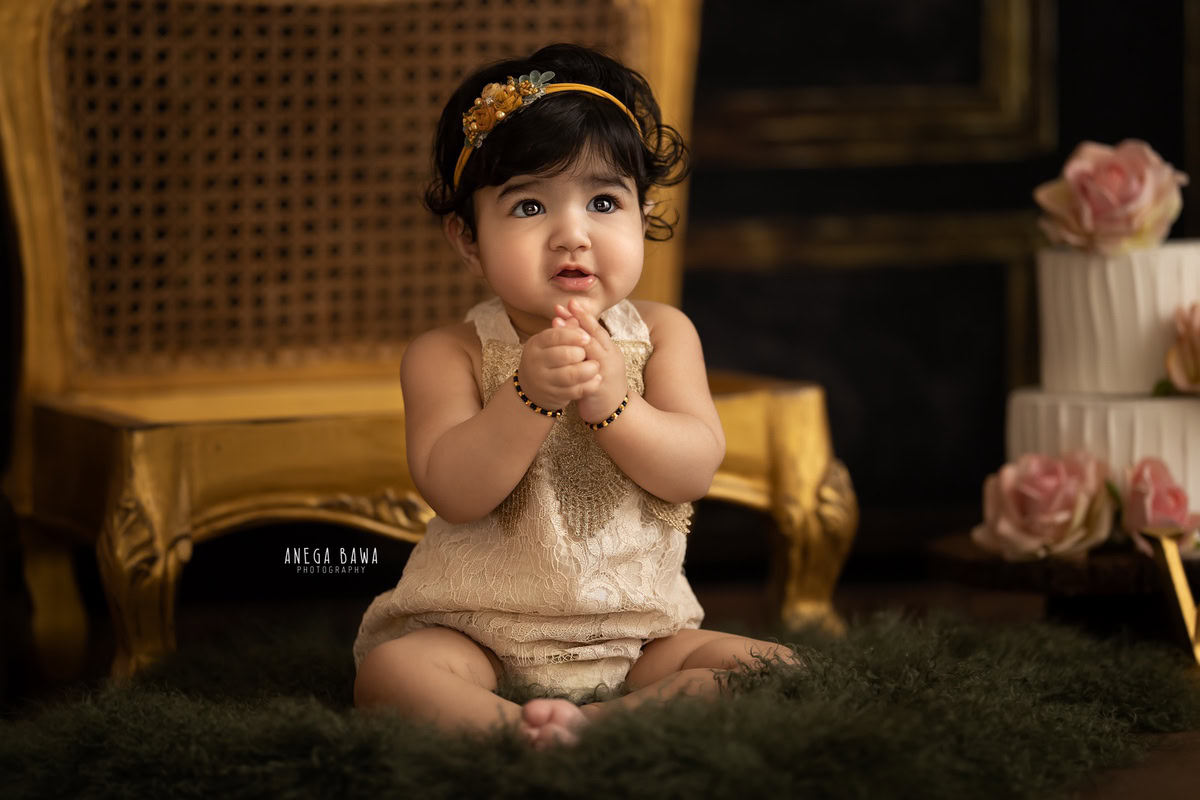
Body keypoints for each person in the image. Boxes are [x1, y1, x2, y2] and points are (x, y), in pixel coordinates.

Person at [352, 43, 801, 750]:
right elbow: (455, 492)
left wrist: (616, 403)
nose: (572, 234)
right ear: (468, 239)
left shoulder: (662, 335)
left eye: (602, 201)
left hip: (639, 635)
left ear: (642, 212)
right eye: (529, 204)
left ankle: (586, 731)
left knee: (772, 668)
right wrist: (527, 395)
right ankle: (514, 725)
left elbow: (693, 469)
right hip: (481, 632)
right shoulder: (450, 354)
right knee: (391, 673)